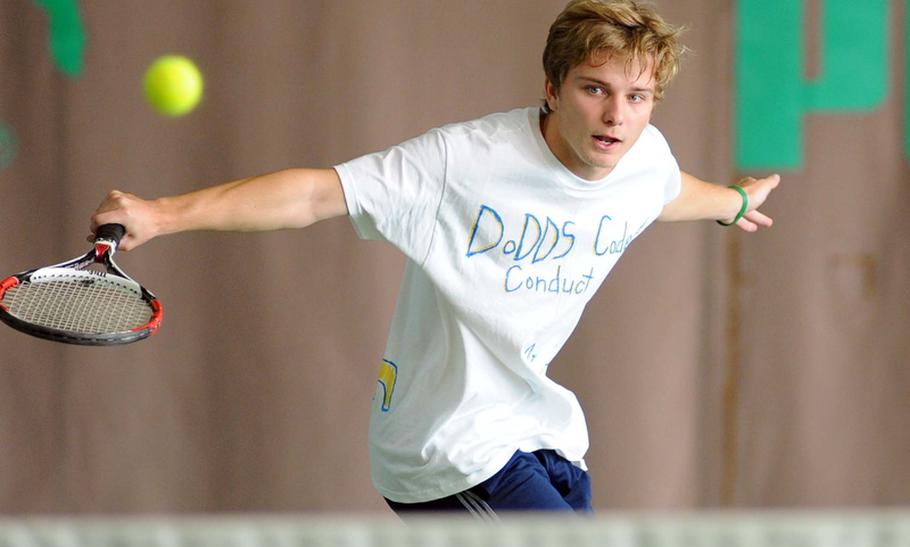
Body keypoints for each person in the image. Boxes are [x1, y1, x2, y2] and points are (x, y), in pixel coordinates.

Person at [90, 0, 778, 516]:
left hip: (544, 432)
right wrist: (162, 213)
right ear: (552, 86)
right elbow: (313, 196)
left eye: (637, 98)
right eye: (594, 89)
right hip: (449, 445)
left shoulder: (643, 159)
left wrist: (733, 204)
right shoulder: (462, 163)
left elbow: (664, 192)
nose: (616, 117)